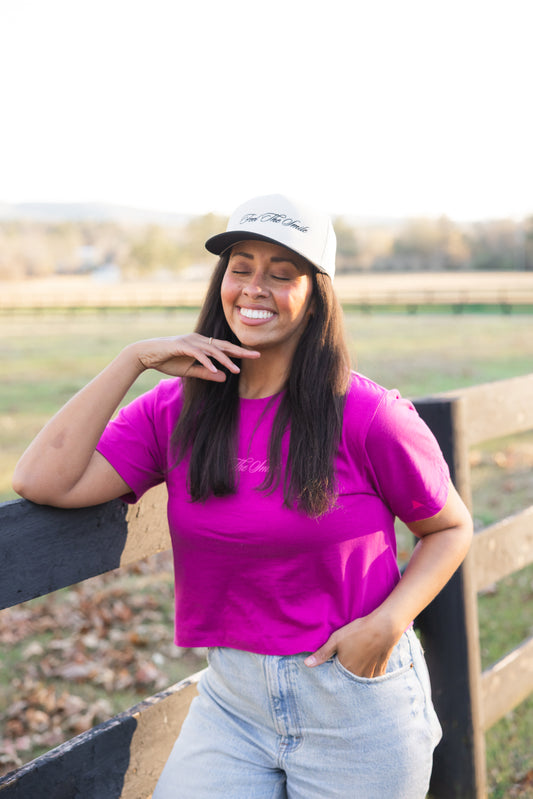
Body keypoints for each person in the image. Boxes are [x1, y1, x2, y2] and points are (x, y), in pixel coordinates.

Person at [13, 194, 473, 798]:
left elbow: (449, 527)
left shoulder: (366, 415)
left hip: (353, 698)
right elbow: (43, 480)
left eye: (281, 274)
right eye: (241, 268)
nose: (255, 288)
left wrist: (388, 624)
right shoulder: (178, 410)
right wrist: (134, 359)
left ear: (316, 296)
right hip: (232, 701)